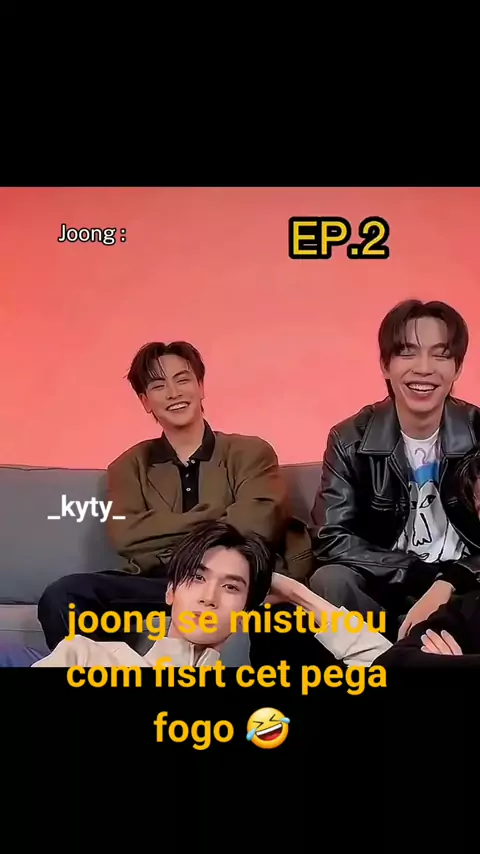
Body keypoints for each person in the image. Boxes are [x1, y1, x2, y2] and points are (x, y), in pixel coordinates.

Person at [37, 341, 314, 652]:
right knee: (64, 595)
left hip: (232, 581)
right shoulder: (128, 466)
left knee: (282, 615)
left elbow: (254, 526)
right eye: (158, 386)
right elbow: (126, 535)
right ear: (145, 401)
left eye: (182, 380)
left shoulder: (250, 452)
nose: (173, 393)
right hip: (160, 584)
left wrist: (166, 534)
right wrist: (215, 514)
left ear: (201, 387)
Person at [309, 299, 480, 642]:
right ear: (385, 365)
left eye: (440, 355)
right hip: (387, 586)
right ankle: (385, 655)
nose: (424, 368)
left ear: (458, 368)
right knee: (330, 581)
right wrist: (415, 573)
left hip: (464, 587)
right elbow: (330, 536)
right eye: (407, 353)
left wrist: (450, 580)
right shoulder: (350, 438)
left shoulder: (478, 431)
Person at [33, 521, 390, 668]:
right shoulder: (85, 656)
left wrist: (298, 594)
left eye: (231, 587)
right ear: (170, 592)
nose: (209, 597)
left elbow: (387, 667)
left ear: (245, 613)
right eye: (196, 578)